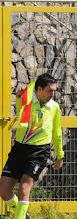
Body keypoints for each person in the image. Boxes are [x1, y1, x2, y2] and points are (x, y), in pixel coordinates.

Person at [0, 73, 64, 219]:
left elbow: (57, 132)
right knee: (3, 190)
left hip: (39, 152)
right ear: (39, 89)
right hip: (20, 148)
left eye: (54, 91)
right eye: (49, 91)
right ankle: (22, 214)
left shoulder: (54, 107)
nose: (53, 94)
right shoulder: (26, 101)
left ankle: (20, 216)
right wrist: (18, 98)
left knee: (24, 188)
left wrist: (60, 155)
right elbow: (21, 115)